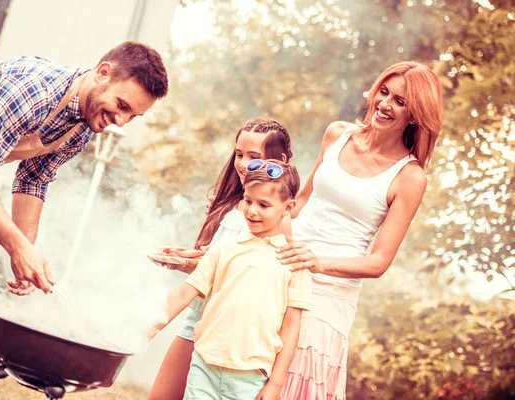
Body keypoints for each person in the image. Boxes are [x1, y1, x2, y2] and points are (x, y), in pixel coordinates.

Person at [0, 41, 168, 385]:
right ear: (103, 73)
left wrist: (27, 251)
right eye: (121, 105)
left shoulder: (81, 126)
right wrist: (18, 248)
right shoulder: (31, 89)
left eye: (132, 116)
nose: (120, 121)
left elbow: (32, 180)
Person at [275, 61, 444, 399]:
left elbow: (378, 262)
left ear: (415, 114)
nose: (385, 104)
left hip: (328, 294)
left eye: (400, 101)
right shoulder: (337, 134)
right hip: (282, 267)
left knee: (291, 385)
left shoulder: (410, 177)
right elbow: (300, 201)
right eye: (384, 92)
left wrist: (317, 262)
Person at [148, 119, 293, 399]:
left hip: (232, 335)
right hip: (198, 319)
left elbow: (259, 274)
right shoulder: (230, 204)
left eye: (254, 157)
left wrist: (191, 264)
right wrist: (185, 256)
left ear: (280, 160)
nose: (242, 163)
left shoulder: (274, 220)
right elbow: (219, 255)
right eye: (239, 154)